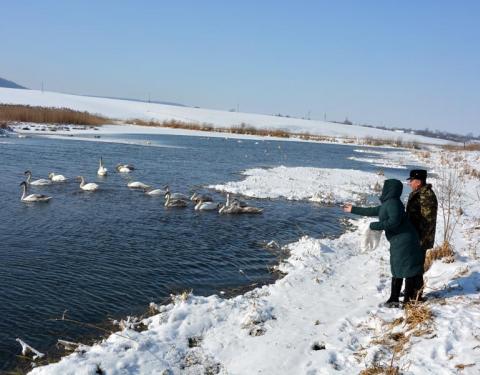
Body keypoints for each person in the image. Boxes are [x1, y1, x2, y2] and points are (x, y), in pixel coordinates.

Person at [344, 179, 423, 307]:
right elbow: (372, 211)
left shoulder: (393, 203)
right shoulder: (389, 203)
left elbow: (394, 221)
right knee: (397, 268)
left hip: (405, 240)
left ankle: (406, 300)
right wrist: (353, 209)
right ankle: (395, 298)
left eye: (385, 188)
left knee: (406, 269)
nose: (383, 190)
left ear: (389, 189)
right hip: (399, 240)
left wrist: (375, 225)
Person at [406, 169, 438, 300]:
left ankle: (416, 296)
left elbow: (427, 221)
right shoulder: (418, 193)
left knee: (417, 267)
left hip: (420, 239)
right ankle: (411, 292)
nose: (409, 183)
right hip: (415, 237)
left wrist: (417, 239)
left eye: (411, 181)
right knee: (413, 265)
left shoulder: (426, 196)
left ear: (418, 182)